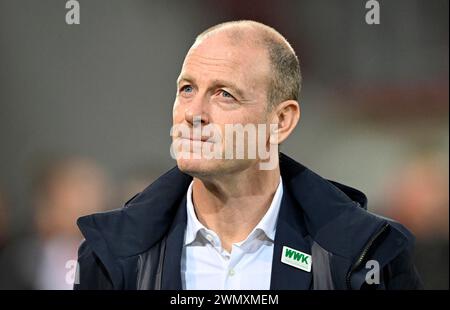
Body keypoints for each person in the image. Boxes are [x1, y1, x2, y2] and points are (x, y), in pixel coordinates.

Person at [74, 20, 422, 290]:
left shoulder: (368, 253)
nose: (193, 113)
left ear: (281, 120)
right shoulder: (111, 253)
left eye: (224, 94)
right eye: (187, 89)